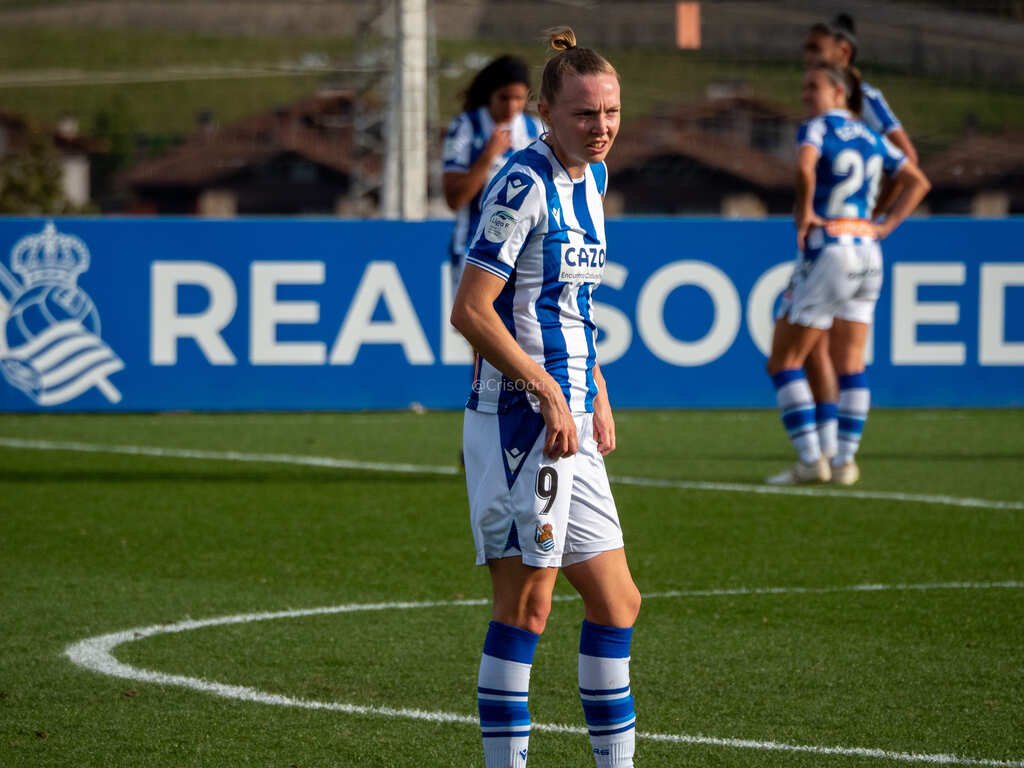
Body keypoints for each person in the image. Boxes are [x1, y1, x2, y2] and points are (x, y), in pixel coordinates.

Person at [450, 26, 641, 768]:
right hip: (519, 424)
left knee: (616, 601)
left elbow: (571, 303)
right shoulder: (522, 184)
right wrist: (547, 392)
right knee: (527, 609)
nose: (601, 128)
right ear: (548, 117)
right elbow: (471, 310)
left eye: (612, 113)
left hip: (569, 422)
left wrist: (593, 390)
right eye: (585, 115)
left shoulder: (592, 179)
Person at [766, 63, 930, 485]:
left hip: (832, 248)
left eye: (813, 87)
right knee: (851, 363)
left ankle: (810, 459)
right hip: (868, 251)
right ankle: (844, 462)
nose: (806, 94)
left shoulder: (817, 128)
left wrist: (804, 214)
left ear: (839, 93)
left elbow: (805, 169)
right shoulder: (873, 136)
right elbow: (916, 179)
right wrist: (884, 225)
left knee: (784, 360)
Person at [443, 55, 545, 292]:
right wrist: (488, 156)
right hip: (474, 249)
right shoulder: (466, 128)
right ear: (490, 94)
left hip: (525, 253)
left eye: (518, 98)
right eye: (504, 98)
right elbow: (454, 199)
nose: (511, 107)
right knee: (476, 324)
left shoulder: (537, 130)